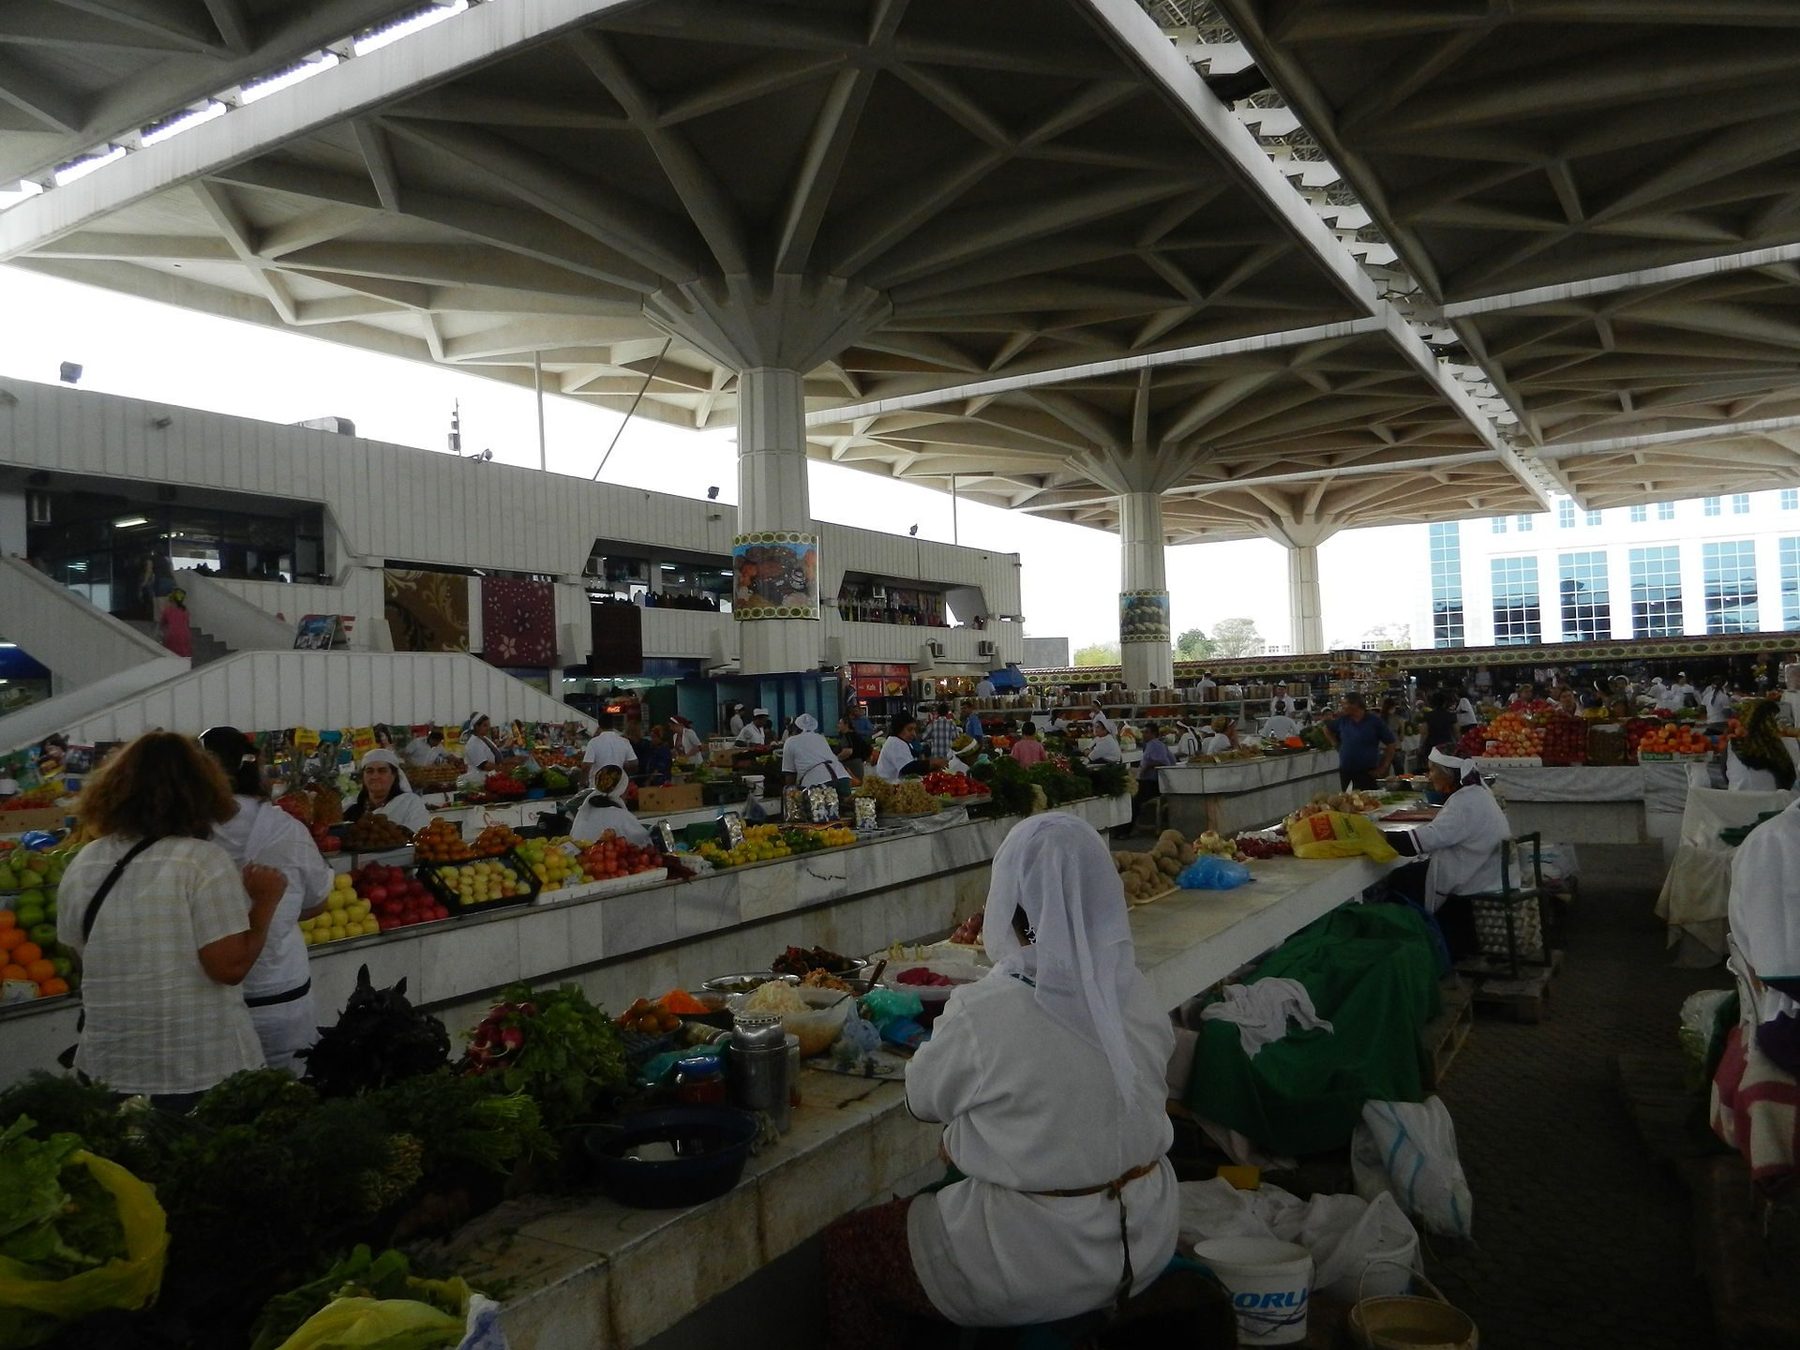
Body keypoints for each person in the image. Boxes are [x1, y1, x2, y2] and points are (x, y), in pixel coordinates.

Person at [822, 814, 1178, 1342]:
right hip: (1148, 1235)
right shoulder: (1134, 993)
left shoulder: (985, 1008)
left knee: (848, 1250)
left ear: (1008, 904)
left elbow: (922, 1100)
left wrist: (963, 1137)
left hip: (1041, 1261)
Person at [57, 732, 286, 1109]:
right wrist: (264, 903)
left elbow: (77, 953)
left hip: (108, 1066)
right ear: (202, 791)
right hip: (195, 1068)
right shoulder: (202, 862)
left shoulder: (86, 861)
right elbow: (229, 967)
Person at [200, 727, 332, 1073]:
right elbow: (317, 902)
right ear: (254, 765)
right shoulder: (287, 830)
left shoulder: (185, 833)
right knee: (290, 1099)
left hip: (208, 998)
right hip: (281, 994)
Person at [1382, 746, 1512, 963]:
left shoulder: (1464, 802)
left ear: (1447, 774)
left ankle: (1416, 950)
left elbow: (1419, 843)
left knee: (1400, 878)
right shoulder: (1477, 792)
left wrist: (1381, 836)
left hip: (1475, 874)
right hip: (1484, 867)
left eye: (1432, 770)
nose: (1429, 776)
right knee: (1412, 873)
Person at [344, 748, 434, 834]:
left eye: (382, 771)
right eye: (369, 771)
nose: (375, 776)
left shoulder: (410, 803)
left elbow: (420, 830)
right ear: (363, 776)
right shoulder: (350, 807)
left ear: (394, 775)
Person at [1322, 693, 1396, 790]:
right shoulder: (1343, 720)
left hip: (1368, 771)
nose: (1342, 707)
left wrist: (1383, 767)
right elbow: (1326, 729)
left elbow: (1391, 744)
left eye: (1345, 704)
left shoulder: (1374, 721)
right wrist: (1335, 744)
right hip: (1346, 770)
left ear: (1355, 704)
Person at [571, 764, 652, 846]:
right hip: (602, 857)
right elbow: (644, 842)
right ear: (620, 789)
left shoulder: (585, 811)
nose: (627, 794)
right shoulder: (621, 816)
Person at [1726, 699, 1797, 793]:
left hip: (1739, 803)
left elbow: (1726, 774)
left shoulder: (1734, 745)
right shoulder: (1790, 745)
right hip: (1779, 805)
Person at [783, 713, 852, 789]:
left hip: (817, 782)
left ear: (795, 729)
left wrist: (791, 790)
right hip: (842, 777)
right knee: (846, 800)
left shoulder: (790, 741)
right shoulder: (821, 738)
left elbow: (790, 774)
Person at [584, 713, 640, 783]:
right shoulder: (624, 741)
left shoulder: (593, 742)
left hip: (598, 784)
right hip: (619, 783)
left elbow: (586, 765)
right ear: (613, 724)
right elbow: (634, 763)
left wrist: (583, 781)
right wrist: (625, 771)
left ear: (599, 725)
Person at [1416, 691, 1459, 774]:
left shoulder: (1427, 716)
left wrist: (1420, 746)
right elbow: (1457, 732)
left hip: (1431, 746)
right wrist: (1458, 744)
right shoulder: (1451, 716)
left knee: (1432, 769)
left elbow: (1424, 732)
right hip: (1447, 746)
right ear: (1445, 702)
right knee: (1447, 769)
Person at [873, 715, 919, 782]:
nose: (914, 734)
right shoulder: (895, 743)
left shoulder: (903, 742)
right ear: (899, 729)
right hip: (889, 786)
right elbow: (907, 768)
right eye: (910, 730)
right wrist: (931, 764)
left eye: (914, 730)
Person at [1136, 722, 1174, 804]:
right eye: (1143, 732)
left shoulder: (1156, 745)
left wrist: (1146, 768)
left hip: (1152, 781)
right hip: (1148, 780)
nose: (1143, 734)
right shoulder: (1150, 744)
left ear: (1154, 734)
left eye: (1146, 732)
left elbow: (1163, 762)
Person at [157, 586, 193, 658]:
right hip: (185, 635)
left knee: (171, 656)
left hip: (172, 635)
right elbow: (186, 624)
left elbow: (161, 625)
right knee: (184, 656)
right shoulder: (185, 611)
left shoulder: (168, 610)